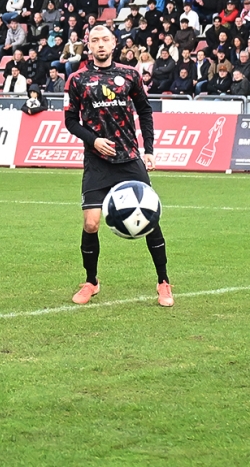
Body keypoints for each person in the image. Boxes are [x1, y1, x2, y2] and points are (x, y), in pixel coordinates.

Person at [66, 23, 173, 307]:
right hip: (97, 162)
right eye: (95, 40)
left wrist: (149, 151)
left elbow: (145, 111)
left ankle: (163, 281)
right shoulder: (77, 79)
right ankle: (91, 281)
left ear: (115, 43)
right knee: (91, 223)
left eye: (105, 39)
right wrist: (94, 140)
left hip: (129, 159)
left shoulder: (130, 75)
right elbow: (70, 121)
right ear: (88, 45)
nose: (100, 44)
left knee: (151, 220)